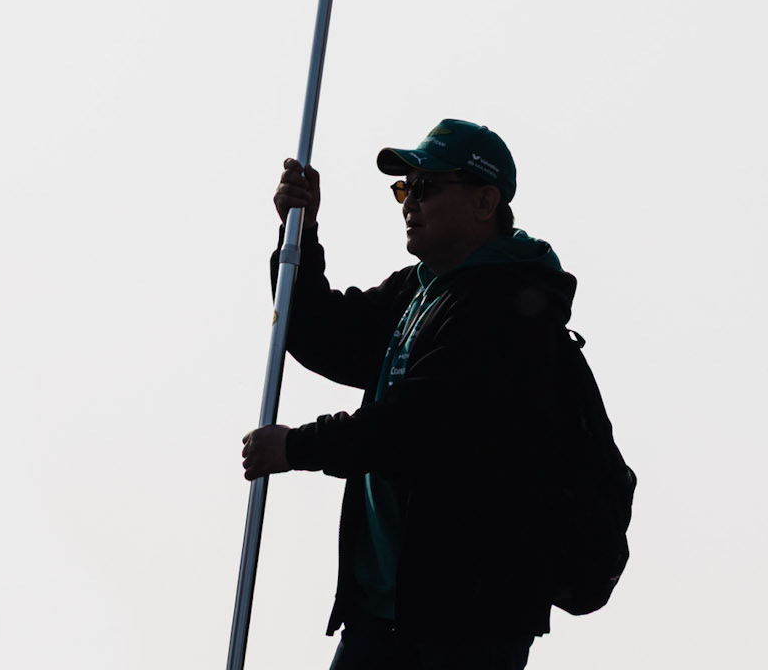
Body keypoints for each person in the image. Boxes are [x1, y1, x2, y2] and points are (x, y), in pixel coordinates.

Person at [241, 119, 576, 669]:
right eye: (405, 188)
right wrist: (300, 230)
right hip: (385, 611)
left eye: (427, 187)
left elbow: (414, 426)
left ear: (485, 202)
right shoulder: (417, 290)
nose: (409, 202)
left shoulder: (507, 305)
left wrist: (295, 447)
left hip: (469, 621)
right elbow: (320, 333)